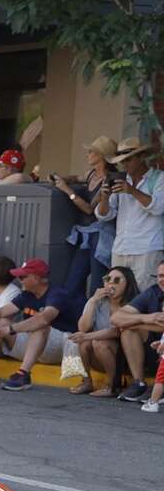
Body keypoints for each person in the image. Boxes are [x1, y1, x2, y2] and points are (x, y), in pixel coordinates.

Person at [0, 258, 80, 390]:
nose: (19, 280)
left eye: (23, 277)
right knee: (1, 322)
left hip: (60, 345)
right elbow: (0, 312)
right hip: (33, 344)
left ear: (36, 278)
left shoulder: (57, 294)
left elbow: (43, 319)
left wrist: (10, 329)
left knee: (40, 327)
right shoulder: (27, 295)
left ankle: (23, 374)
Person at [53, 136, 120, 295]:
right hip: (85, 235)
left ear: (101, 156)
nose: (88, 154)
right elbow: (77, 178)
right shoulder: (91, 174)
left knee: (97, 282)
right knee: (73, 280)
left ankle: (94, 317)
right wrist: (62, 178)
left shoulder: (108, 179)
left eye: (91, 151)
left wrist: (66, 190)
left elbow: (90, 209)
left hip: (100, 234)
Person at [94, 137, 163, 288]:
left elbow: (158, 207)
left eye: (128, 160)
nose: (124, 164)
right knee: (117, 296)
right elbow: (104, 215)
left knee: (145, 295)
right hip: (120, 249)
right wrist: (104, 198)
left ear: (142, 157)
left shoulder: (159, 178)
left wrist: (132, 191)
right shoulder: (121, 180)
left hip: (147, 249)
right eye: (121, 161)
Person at [65, 266, 140, 396]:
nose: (110, 283)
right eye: (107, 279)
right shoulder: (98, 301)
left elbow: (117, 331)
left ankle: (113, 386)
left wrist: (88, 336)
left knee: (97, 343)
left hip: (128, 358)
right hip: (102, 356)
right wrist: (92, 301)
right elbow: (83, 328)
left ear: (127, 283)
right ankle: (87, 381)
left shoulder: (134, 302)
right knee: (83, 343)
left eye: (116, 280)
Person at [110, 258, 164, 402]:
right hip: (155, 351)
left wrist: (137, 323)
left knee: (130, 325)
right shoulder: (153, 292)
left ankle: (161, 387)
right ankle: (139, 383)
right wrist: (148, 318)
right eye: (160, 276)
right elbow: (116, 318)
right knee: (128, 331)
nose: (161, 280)